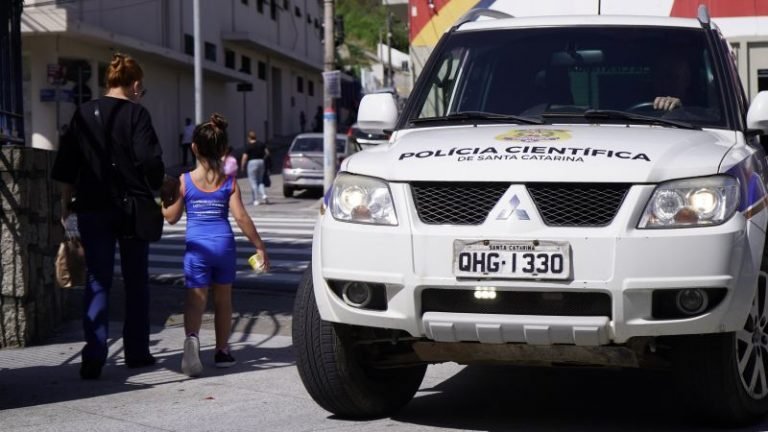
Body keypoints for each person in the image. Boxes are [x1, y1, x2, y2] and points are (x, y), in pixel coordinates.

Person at [51, 52, 170, 380]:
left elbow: (68, 166)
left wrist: (65, 206)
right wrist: (159, 183)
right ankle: (137, 352)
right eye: (140, 87)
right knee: (136, 283)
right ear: (134, 84)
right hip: (131, 209)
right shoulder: (138, 115)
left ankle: (93, 355)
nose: (140, 92)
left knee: (97, 280)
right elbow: (150, 161)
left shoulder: (82, 113)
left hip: (91, 207)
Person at [160, 114, 270, 377]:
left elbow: (172, 218)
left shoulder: (184, 181)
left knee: (195, 301)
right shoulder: (229, 182)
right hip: (224, 247)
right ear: (223, 150)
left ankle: (192, 340)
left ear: (194, 148)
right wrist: (259, 246)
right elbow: (241, 217)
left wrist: (164, 201)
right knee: (223, 300)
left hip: (197, 248)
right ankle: (222, 351)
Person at [240, 130, 270, 205]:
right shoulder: (261, 144)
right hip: (261, 162)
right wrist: (263, 158)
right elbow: (267, 153)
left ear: (249, 138)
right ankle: (264, 195)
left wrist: (242, 166)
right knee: (260, 181)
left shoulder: (248, 146)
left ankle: (256, 200)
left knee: (253, 181)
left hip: (252, 163)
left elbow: (244, 157)